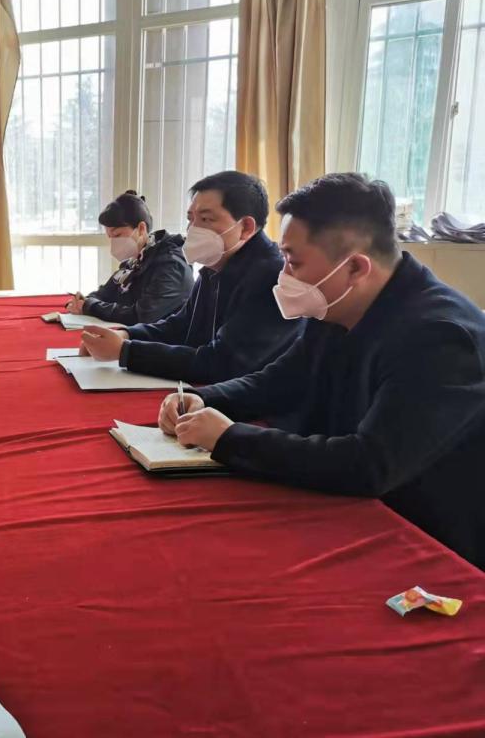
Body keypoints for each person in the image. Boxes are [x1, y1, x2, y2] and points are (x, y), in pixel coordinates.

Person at [157, 173, 485, 569]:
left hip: (425, 541)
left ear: (356, 268)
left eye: (293, 262)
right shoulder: (339, 301)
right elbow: (280, 380)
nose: (283, 276)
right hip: (343, 505)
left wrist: (229, 438)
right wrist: (203, 398)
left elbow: (368, 464)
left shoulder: (440, 338)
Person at [81, 171, 300, 384]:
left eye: (205, 219)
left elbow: (222, 363)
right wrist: (126, 335)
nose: (193, 229)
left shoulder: (271, 277)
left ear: (245, 227)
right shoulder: (215, 265)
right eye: (190, 219)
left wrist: (126, 352)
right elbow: (180, 325)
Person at [66, 190, 193, 325]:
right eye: (110, 237)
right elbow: (105, 294)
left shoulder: (172, 265)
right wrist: (84, 301)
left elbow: (143, 316)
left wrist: (91, 306)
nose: (114, 243)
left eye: (117, 235)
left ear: (141, 229)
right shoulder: (136, 259)